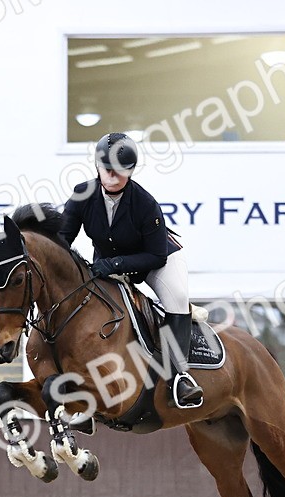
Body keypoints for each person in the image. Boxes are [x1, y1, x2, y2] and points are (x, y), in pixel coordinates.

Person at [58, 133, 204, 409]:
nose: (112, 174)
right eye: (107, 168)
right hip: (108, 261)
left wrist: (114, 265)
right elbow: (63, 238)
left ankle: (179, 377)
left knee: (178, 296)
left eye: (120, 170)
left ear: (131, 171)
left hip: (154, 261)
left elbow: (156, 254)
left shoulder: (145, 203)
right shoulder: (82, 194)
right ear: (97, 167)